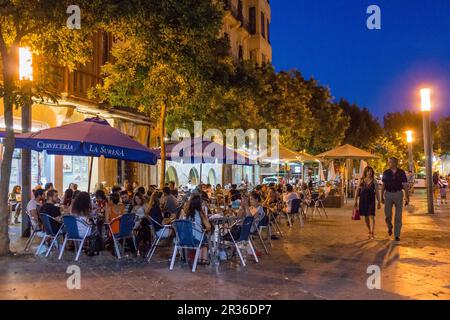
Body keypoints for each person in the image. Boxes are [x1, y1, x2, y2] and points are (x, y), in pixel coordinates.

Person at [381, 157, 409, 242]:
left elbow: (405, 185)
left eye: (390, 162)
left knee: (398, 216)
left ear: (395, 163)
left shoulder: (401, 172)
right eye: (388, 162)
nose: (389, 164)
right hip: (388, 194)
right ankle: (389, 226)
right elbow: (383, 185)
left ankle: (397, 235)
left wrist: (407, 197)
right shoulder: (386, 172)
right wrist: (381, 196)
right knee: (388, 214)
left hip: (398, 194)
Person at [355, 166, 381, 239]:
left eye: (371, 171)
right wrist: (355, 201)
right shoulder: (361, 180)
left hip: (371, 200)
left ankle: (372, 232)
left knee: (372, 216)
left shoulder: (374, 181)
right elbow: (357, 191)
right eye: (368, 171)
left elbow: (377, 192)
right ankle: (369, 231)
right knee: (366, 217)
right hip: (363, 200)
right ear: (365, 172)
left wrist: (379, 202)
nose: (369, 173)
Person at [183, 194, 210, 264]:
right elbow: (208, 226)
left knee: (201, 237)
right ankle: (203, 259)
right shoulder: (201, 212)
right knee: (205, 240)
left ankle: (198, 258)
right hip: (196, 239)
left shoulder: (186, 212)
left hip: (186, 238)